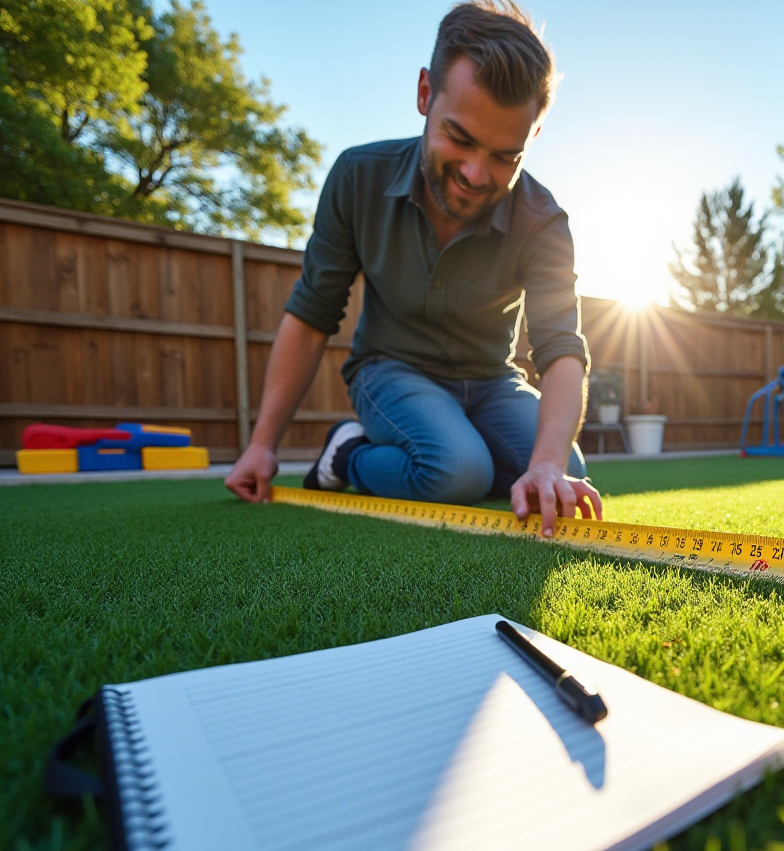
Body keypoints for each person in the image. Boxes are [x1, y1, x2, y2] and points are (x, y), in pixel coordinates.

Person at [224, 0, 603, 537]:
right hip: (390, 368)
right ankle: (349, 451)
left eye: (505, 157)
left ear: (532, 137)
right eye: (461, 139)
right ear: (425, 93)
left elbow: (563, 350)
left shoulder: (543, 221)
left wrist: (545, 464)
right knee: (457, 471)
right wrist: (262, 446)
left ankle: (468, 446)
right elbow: (311, 316)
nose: (476, 174)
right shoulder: (358, 178)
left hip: (491, 381)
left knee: (565, 467)